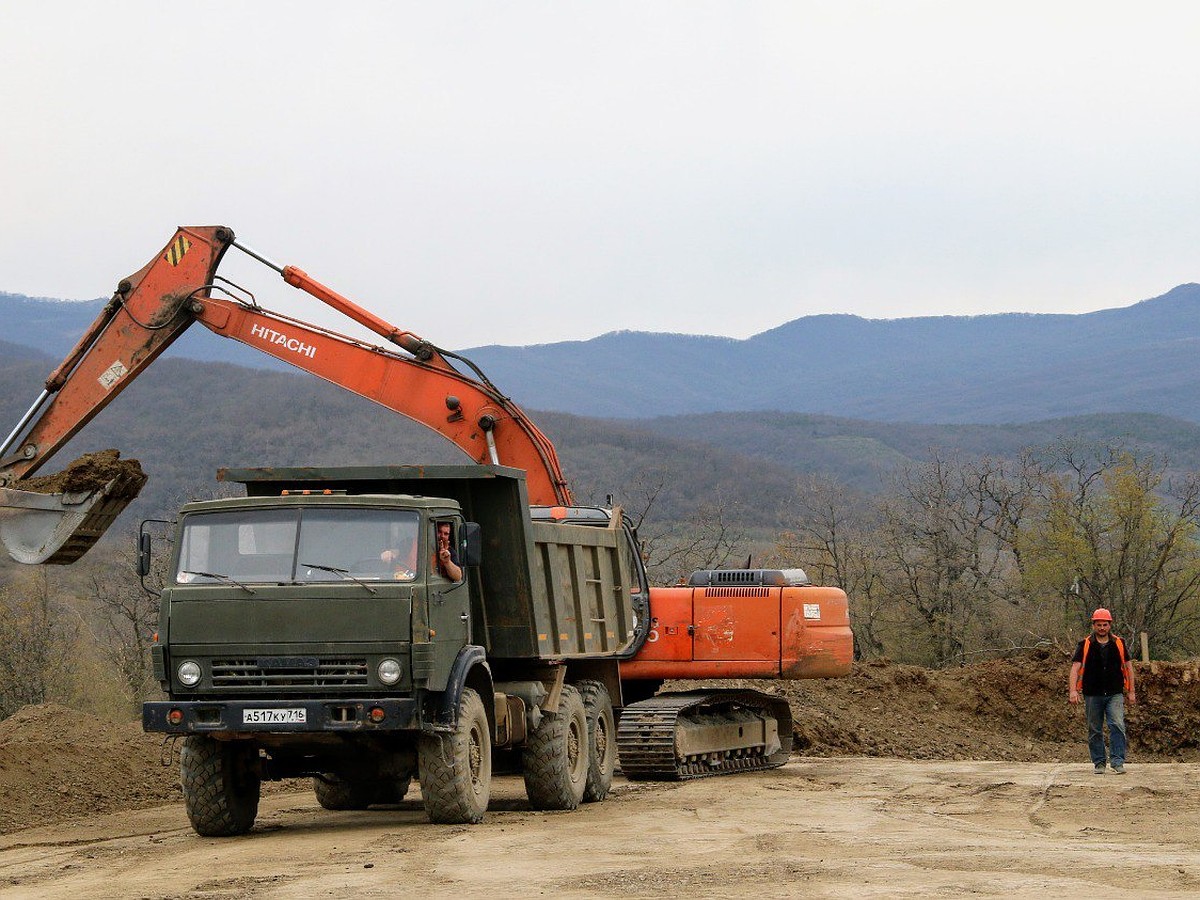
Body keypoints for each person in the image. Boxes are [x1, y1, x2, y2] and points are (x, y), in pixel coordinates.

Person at [1068, 607, 1136, 774]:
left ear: (1109, 625)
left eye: (1105, 624)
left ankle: (1117, 761)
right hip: (1092, 694)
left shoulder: (1119, 643)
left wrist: (1132, 691)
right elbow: (1075, 668)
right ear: (1093, 625)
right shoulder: (1085, 645)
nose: (1102, 628)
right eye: (1098, 625)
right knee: (1094, 729)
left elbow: (1128, 667)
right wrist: (1073, 691)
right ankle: (1099, 762)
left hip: (1114, 693)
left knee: (1117, 725)